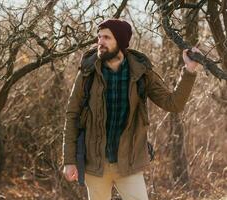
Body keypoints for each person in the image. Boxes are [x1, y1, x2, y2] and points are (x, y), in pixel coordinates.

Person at [62, 18, 201, 200]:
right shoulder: (87, 73)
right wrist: (69, 161)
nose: (100, 42)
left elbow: (173, 104)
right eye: (99, 37)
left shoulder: (141, 72)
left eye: (106, 38)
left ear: (120, 41)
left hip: (129, 164)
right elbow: (72, 115)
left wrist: (189, 70)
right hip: (95, 164)